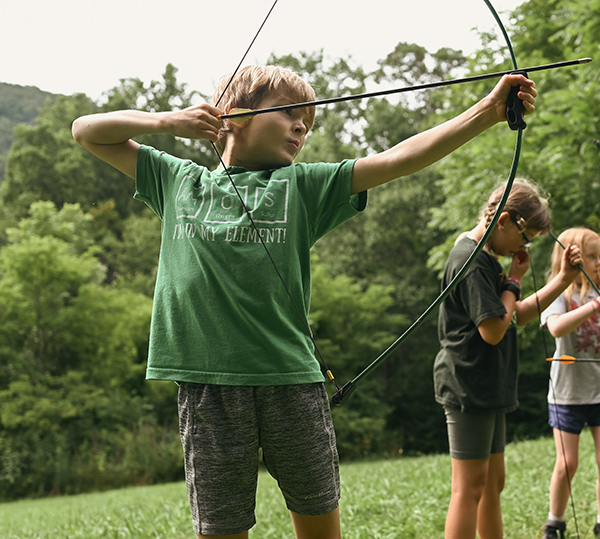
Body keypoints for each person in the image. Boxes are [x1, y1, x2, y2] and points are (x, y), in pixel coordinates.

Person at [72, 64, 538, 539]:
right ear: (234, 112)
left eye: (309, 123)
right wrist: (167, 122)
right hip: (208, 387)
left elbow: (398, 158)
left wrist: (489, 110)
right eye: (291, 112)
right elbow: (86, 131)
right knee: (221, 528)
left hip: (292, 384)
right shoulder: (177, 180)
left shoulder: (304, 186)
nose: (302, 127)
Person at [433, 180, 583, 539]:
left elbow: (517, 314)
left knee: (491, 484)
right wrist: (514, 280)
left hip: (488, 385)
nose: (524, 246)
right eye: (525, 236)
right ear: (503, 221)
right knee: (468, 488)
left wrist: (563, 279)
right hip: (468, 385)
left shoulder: (487, 258)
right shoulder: (471, 262)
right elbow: (493, 331)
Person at [540, 228, 600, 539]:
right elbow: (557, 329)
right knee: (568, 463)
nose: (599, 262)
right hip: (567, 394)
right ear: (573, 258)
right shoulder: (559, 295)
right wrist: (592, 307)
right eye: (592, 257)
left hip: (599, 391)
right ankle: (555, 522)